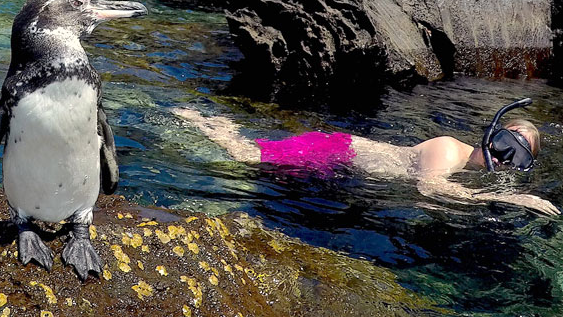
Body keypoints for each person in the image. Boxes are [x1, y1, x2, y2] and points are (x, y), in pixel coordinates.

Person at [174, 104, 560, 216]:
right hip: (336, 151)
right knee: (243, 157)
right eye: (506, 144)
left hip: (344, 162)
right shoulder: (448, 149)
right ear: (492, 134)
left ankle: (217, 123)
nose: (503, 159)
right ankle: (197, 119)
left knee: (250, 157)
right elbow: (430, 189)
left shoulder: (471, 168)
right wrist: (506, 198)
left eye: (517, 157)